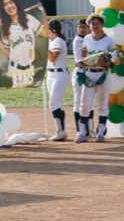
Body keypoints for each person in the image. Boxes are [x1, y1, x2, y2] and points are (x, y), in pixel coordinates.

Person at [0, 0, 49, 87]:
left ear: (16, 3)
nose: (9, 6)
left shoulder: (29, 19)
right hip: (15, 69)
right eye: (5, 4)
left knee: (31, 93)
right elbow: (7, 53)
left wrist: (43, 12)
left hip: (30, 68)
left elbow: (45, 33)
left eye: (10, 2)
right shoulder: (6, 28)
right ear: (3, 9)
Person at [77, 14, 115, 143]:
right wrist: (82, 63)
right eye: (92, 23)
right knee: (84, 104)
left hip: (103, 74)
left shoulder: (108, 40)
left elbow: (114, 59)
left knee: (102, 104)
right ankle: (83, 132)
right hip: (89, 74)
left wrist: (106, 62)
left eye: (97, 23)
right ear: (89, 25)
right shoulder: (87, 38)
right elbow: (84, 55)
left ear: (102, 25)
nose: (95, 26)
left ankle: (101, 132)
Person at [46, 20, 68, 140]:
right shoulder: (51, 41)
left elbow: (53, 58)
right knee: (57, 103)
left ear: (53, 30)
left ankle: (60, 131)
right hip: (50, 74)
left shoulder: (58, 41)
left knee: (53, 102)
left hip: (59, 74)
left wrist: (43, 47)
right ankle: (61, 131)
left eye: (48, 28)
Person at [71, 19, 89, 137]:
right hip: (80, 72)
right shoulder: (79, 40)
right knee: (78, 101)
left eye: (84, 27)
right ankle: (80, 129)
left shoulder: (89, 39)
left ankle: (88, 129)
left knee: (88, 102)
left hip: (88, 72)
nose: (81, 29)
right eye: (79, 27)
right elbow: (81, 60)